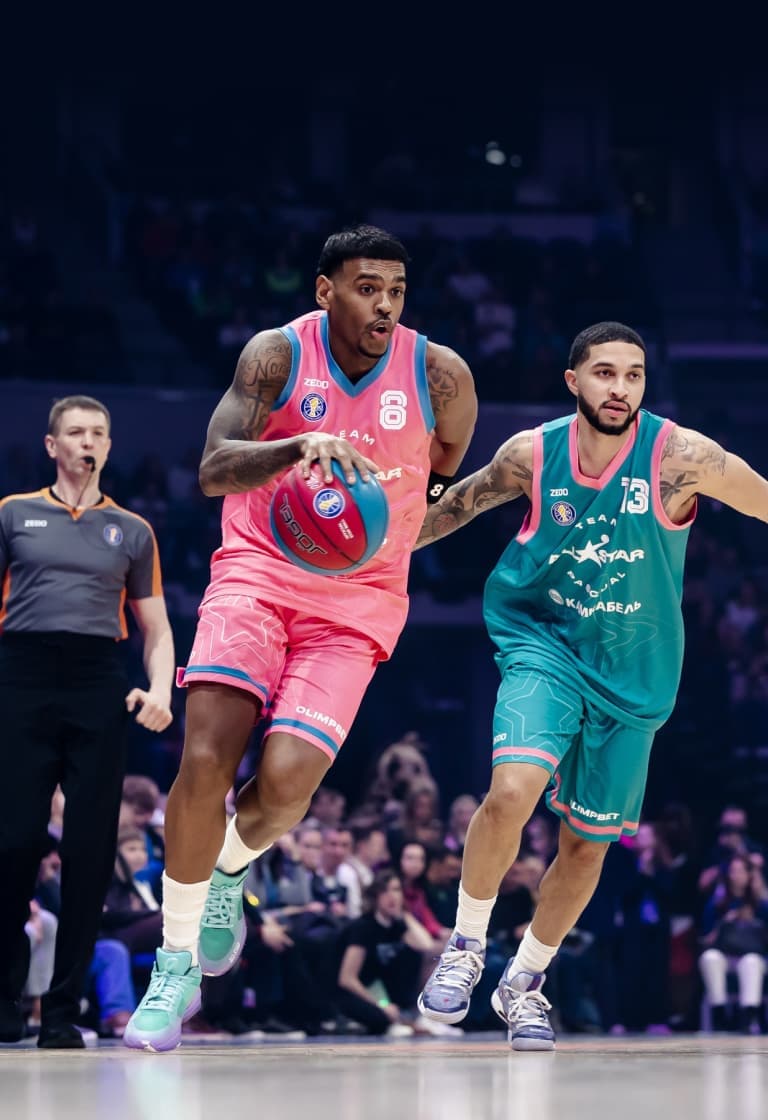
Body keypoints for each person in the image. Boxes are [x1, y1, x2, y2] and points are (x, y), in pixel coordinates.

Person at [124, 224, 478, 1051]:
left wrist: (385, 531)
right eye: (367, 287)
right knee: (204, 760)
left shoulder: (440, 375)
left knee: (286, 787)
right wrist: (294, 447)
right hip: (257, 572)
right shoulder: (276, 357)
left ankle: (229, 868)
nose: (384, 305)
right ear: (325, 290)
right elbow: (212, 468)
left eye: (396, 290)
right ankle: (173, 966)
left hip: (358, 600)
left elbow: (441, 472)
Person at [416, 320, 768, 1050]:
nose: (620, 388)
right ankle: (466, 945)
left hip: (634, 675)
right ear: (573, 381)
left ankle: (524, 982)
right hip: (542, 643)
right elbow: (456, 506)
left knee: (585, 847)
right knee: (511, 790)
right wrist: (365, 551)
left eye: (634, 375)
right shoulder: (531, 454)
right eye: (605, 373)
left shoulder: (681, 457)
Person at [0, 394, 174, 1049]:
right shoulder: (13, 514)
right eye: (75, 432)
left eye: (98, 432)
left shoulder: (132, 530)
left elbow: (156, 628)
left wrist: (160, 689)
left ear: (108, 445)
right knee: (14, 843)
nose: (87, 441)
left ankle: (64, 1011)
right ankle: (6, 999)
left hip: (98, 679)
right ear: (52, 445)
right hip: (21, 675)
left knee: (90, 850)